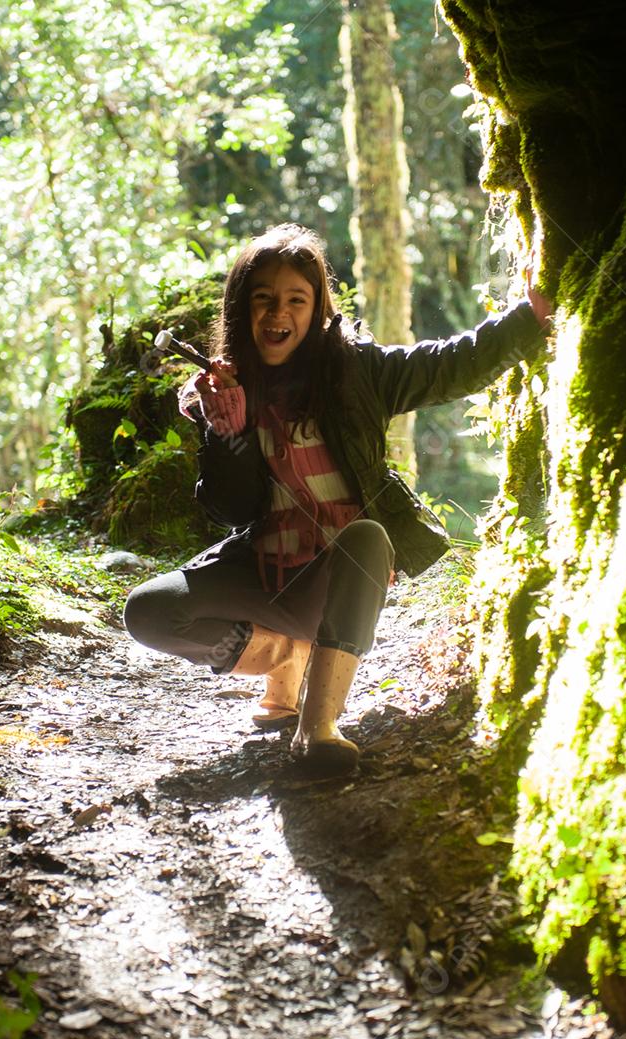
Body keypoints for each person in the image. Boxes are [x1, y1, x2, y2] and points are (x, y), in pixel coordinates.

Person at [124, 223, 551, 778]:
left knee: (370, 536)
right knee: (149, 611)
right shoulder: (224, 389)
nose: (279, 313)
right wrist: (227, 433)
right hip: (265, 573)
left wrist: (527, 318)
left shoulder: (359, 371)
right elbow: (233, 510)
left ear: (316, 308)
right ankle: (284, 655)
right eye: (264, 299)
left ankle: (317, 727)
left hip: (339, 579)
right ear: (241, 310)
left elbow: (449, 364)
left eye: (296, 300)